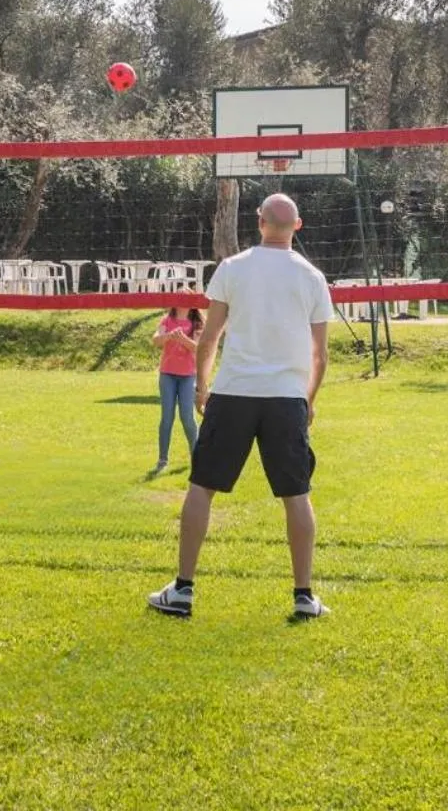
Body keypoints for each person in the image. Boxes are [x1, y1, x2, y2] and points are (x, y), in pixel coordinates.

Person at [148, 193, 331, 620]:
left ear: (259, 221)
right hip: (285, 397)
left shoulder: (232, 267)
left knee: (202, 487)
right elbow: (320, 355)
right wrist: (308, 401)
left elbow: (209, 338)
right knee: (297, 495)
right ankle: (304, 597)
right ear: (298, 226)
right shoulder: (312, 276)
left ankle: (183, 590)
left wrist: (201, 388)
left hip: (234, 393)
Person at [151, 305, 203, 471]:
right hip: (167, 375)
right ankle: (162, 460)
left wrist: (183, 339)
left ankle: (197, 458)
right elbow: (155, 340)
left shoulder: (197, 323)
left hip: (188, 376)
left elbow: (198, 348)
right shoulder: (167, 320)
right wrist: (168, 336)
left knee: (187, 417)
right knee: (167, 417)